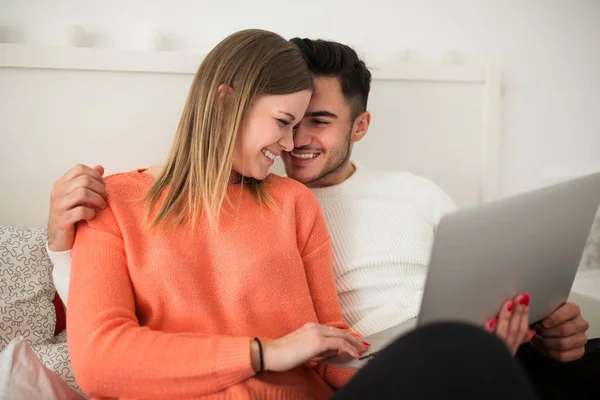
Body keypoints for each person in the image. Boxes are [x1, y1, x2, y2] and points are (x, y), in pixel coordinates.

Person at [46, 36, 596, 398]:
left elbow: (332, 341)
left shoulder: (290, 202)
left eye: (308, 123)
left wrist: (429, 361)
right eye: (284, 122)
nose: (289, 145)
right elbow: (99, 359)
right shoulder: (112, 202)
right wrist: (266, 352)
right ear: (224, 102)